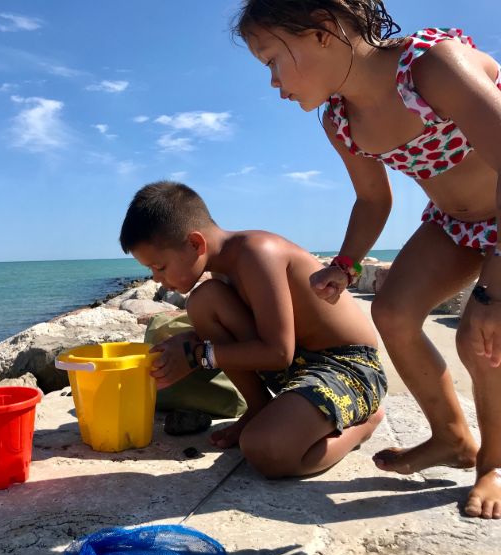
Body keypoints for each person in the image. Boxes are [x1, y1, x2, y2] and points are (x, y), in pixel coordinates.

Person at [233, 0, 501, 518]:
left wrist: (492, 290)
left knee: (481, 334)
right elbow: (374, 199)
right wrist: (346, 263)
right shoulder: (341, 120)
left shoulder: (431, 66)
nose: (272, 82)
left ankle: (493, 462)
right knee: (394, 314)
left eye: (271, 60)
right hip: (452, 222)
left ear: (323, 30)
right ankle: (452, 438)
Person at [119, 181, 387, 478]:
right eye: (151, 271)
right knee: (204, 301)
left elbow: (278, 353)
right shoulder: (222, 268)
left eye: (160, 266)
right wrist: (191, 341)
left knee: (266, 450)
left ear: (196, 244)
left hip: (348, 368)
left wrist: (197, 356)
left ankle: (366, 424)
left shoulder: (258, 253)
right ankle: (258, 407)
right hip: (299, 367)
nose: (157, 279)